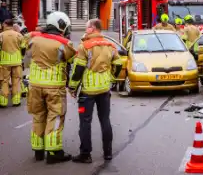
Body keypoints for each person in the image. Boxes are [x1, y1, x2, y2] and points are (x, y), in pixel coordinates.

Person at [69, 19, 123, 164]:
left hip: (87, 92)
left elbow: (78, 69)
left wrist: (72, 87)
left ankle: (85, 154)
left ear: (93, 28)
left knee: (85, 122)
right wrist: (111, 78)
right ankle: (108, 153)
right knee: (105, 120)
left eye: (87, 28)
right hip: (105, 90)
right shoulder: (110, 45)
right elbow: (118, 64)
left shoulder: (84, 46)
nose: (86, 30)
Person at [25, 11, 76, 164]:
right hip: (54, 86)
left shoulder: (33, 39)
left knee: (38, 116)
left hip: (35, 85)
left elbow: (24, 49)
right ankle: (53, 153)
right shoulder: (64, 44)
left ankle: (38, 151)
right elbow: (72, 60)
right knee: (54, 117)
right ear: (60, 26)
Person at [0, 19, 25, 107]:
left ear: (6, 24)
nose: (2, 25)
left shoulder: (1, 35)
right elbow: (23, 47)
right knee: (16, 81)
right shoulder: (19, 35)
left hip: (4, 62)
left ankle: (3, 102)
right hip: (17, 62)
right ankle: (16, 101)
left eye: (3, 24)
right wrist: (21, 59)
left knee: (4, 82)